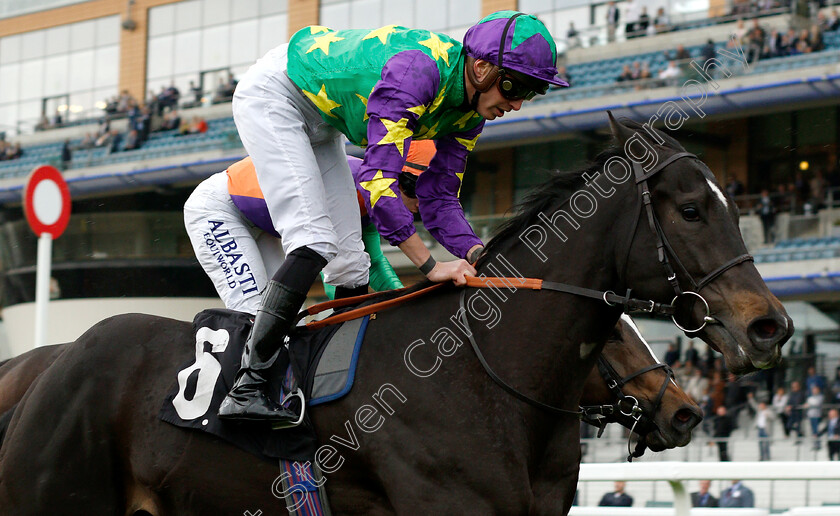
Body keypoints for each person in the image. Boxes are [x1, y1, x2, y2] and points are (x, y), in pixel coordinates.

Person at [214, 12, 565, 425]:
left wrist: (482, 254)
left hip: (325, 121)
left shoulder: (471, 114)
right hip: (277, 95)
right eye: (515, 86)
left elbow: (440, 198)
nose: (518, 102)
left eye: (532, 92)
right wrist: (430, 266)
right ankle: (247, 387)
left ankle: (331, 387)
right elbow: (380, 183)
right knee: (314, 240)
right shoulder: (418, 70)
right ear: (482, 67)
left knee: (349, 261)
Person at [184, 140, 436, 314]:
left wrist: (405, 298)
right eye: (417, 191)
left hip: (260, 220)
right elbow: (336, 278)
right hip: (220, 208)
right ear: (393, 180)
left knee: (285, 316)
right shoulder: (356, 190)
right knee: (254, 313)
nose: (421, 204)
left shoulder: (370, 203)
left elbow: (374, 264)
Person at [748, 392, 776, 460]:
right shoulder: (759, 411)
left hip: (766, 429)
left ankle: (767, 456)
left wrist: (768, 415)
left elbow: (773, 417)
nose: (760, 406)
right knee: (760, 444)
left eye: (762, 405)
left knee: (766, 444)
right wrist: (751, 398)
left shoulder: (768, 411)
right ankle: (761, 456)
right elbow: (754, 405)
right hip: (760, 429)